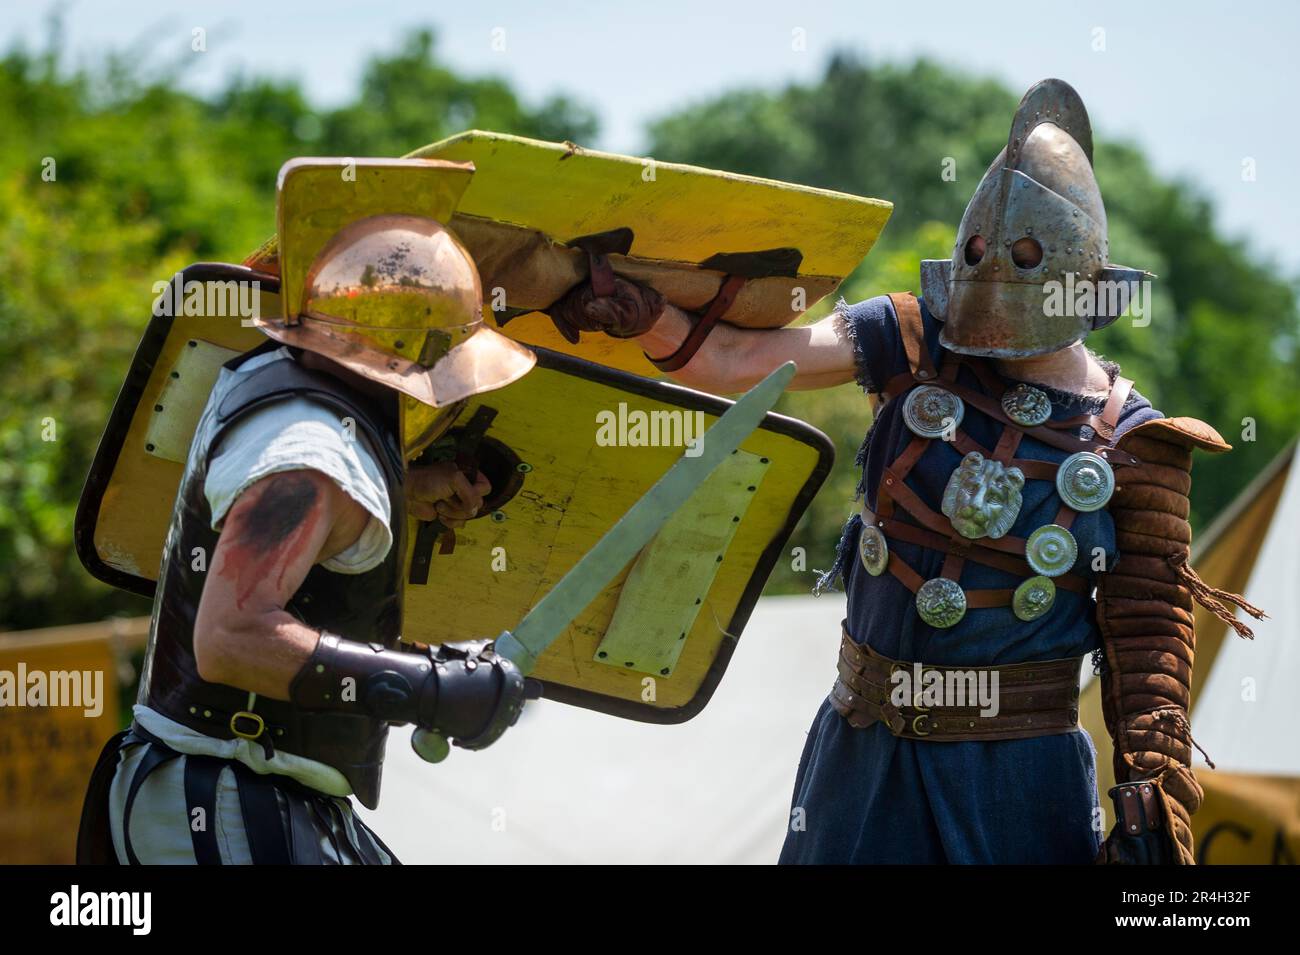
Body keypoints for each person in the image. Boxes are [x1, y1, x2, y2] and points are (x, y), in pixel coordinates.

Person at [542, 79, 1263, 864]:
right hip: (859, 766)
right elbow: (741, 360)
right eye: (983, 261)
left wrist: (1152, 818)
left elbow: (1152, 649)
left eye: (1020, 265)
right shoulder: (918, 336)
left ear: (1078, 280)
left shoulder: (1136, 440)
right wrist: (645, 315)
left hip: (1016, 787)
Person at [77, 212, 538, 864]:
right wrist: (434, 688)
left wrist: (408, 481)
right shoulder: (311, 452)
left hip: (243, 791)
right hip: (225, 800)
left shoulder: (272, 380)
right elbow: (233, 637)